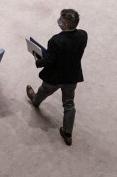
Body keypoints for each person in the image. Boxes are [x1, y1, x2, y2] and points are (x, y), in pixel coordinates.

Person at [26, 9, 87, 146]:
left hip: (55, 77)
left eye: (61, 20)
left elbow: (48, 62)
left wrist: (37, 59)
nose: (58, 21)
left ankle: (35, 101)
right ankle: (67, 134)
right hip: (72, 76)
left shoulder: (56, 40)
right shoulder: (83, 35)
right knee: (69, 103)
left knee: (43, 90)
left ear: (65, 24)